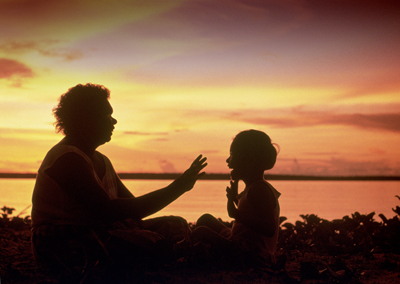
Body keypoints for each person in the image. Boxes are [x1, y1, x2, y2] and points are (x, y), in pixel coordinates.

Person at [31, 83, 207, 279]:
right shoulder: (67, 159)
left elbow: (132, 210)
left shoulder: (102, 160)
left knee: (176, 225)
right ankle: (172, 253)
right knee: (141, 244)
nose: (114, 121)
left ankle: (169, 252)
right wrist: (177, 188)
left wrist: (178, 190)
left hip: (105, 231)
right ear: (87, 119)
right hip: (65, 240)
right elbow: (108, 211)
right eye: (107, 115)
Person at [192, 129, 280, 265]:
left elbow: (268, 228)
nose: (228, 161)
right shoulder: (252, 188)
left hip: (253, 255)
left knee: (201, 232)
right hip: (239, 244)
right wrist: (234, 199)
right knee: (206, 219)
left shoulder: (260, 189)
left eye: (232, 155)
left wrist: (235, 213)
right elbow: (252, 215)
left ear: (249, 160)